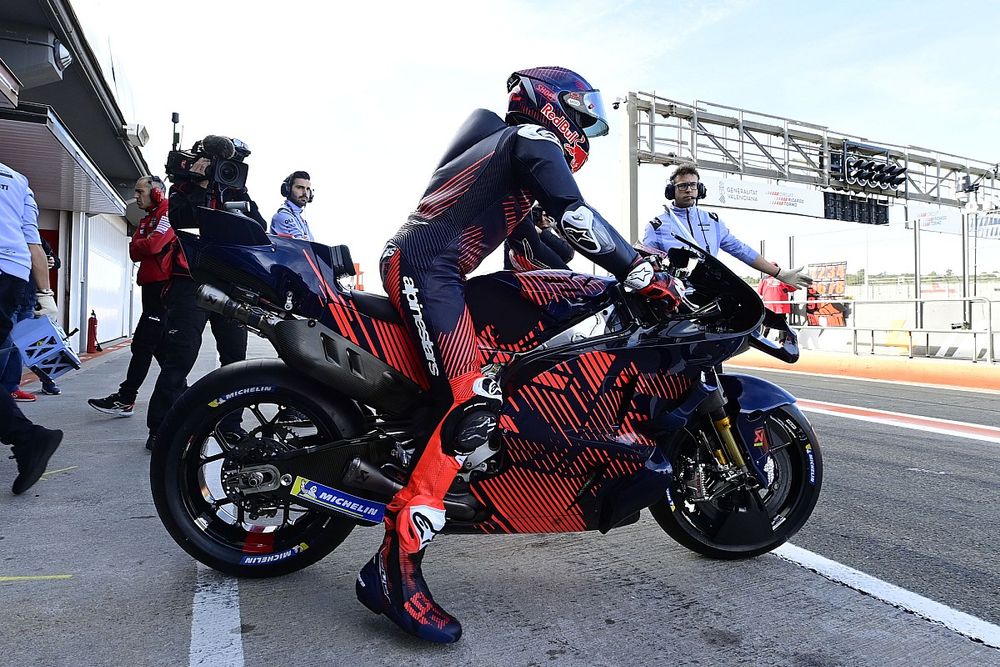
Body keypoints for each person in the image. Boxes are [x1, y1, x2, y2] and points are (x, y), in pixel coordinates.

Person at [354, 66, 683, 644]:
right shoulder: (532, 138)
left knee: (491, 381)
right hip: (428, 266)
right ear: (550, 102)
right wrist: (638, 271)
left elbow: (536, 250)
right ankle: (393, 566)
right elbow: (576, 217)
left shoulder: (509, 155)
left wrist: (607, 277)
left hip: (435, 266)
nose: (586, 124)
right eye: (583, 110)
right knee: (472, 401)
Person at [641, 166, 813, 289]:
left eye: (693, 185)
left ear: (700, 189)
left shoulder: (712, 221)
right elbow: (646, 266)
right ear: (671, 191)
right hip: (675, 296)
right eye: (682, 186)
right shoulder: (656, 226)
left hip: (709, 293)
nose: (689, 190)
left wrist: (779, 273)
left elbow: (740, 249)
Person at [0, 161, 63, 494]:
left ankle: (28, 438)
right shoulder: (17, 179)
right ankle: (27, 438)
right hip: (13, 274)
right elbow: (33, 243)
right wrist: (45, 293)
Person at [88, 176, 172, 418]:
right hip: (150, 288)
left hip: (162, 290)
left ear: (157, 193)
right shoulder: (147, 219)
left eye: (140, 191)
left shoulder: (167, 214)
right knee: (160, 349)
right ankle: (183, 395)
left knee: (143, 344)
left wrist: (143, 244)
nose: (136, 197)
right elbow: (134, 251)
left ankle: (126, 398)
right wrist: (143, 244)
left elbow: (153, 246)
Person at [503, 202, 576, 271]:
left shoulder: (549, 239)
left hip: (545, 274)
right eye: (541, 215)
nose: (543, 219)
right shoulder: (521, 234)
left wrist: (543, 232)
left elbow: (568, 253)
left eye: (547, 216)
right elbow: (509, 266)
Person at [270, 171, 314, 240]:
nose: (305, 193)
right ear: (288, 189)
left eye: (308, 189)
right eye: (300, 187)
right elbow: (301, 244)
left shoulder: (299, 218)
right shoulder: (283, 216)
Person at [756, 274, 797, 342]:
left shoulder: (764, 279)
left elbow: (760, 291)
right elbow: (793, 288)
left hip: (768, 305)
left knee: (767, 323)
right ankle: (782, 342)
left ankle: (762, 340)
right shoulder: (783, 278)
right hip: (781, 306)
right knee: (782, 323)